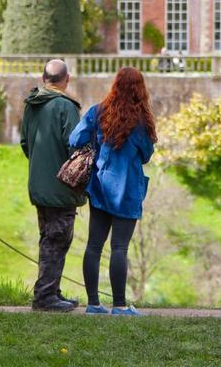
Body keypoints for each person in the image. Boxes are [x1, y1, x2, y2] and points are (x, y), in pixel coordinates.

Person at [69, 66, 157, 315]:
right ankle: (119, 305)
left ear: (115, 85)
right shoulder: (142, 122)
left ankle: (93, 304)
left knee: (94, 246)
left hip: (99, 186)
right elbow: (147, 155)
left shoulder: (98, 112)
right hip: (127, 190)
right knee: (120, 247)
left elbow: (75, 139)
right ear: (140, 89)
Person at [18, 59, 85, 312]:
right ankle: (45, 297)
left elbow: (25, 143)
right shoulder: (64, 107)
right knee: (57, 239)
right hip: (61, 186)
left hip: (38, 184)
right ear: (67, 80)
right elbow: (75, 146)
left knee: (48, 237)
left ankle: (52, 291)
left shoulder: (32, 104)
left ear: (44, 78)